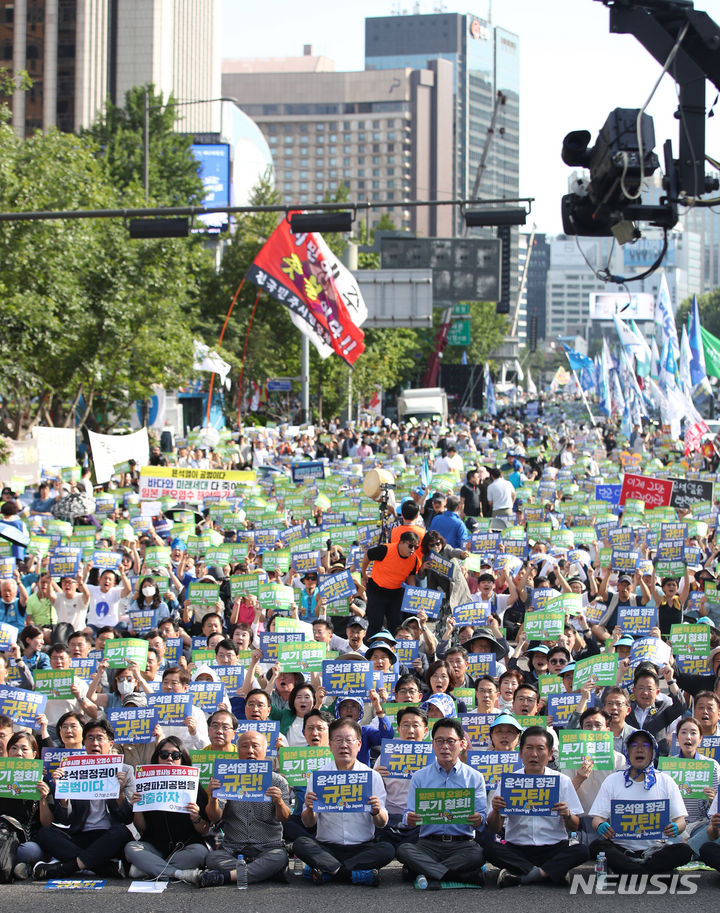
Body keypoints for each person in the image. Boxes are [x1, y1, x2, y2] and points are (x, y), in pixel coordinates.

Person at [294, 717, 395, 886]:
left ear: (359, 745)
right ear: (330, 745)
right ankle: (353, 874)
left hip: (362, 848)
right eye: (338, 740)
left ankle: (331, 872)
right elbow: (308, 823)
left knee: (388, 850)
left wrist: (376, 811)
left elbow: (382, 823)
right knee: (300, 844)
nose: (344, 745)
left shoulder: (372, 776)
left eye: (349, 740)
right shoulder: (319, 777)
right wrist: (310, 809)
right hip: (327, 847)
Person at [485, 726, 589, 887]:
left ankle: (524, 875)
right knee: (487, 848)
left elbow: (574, 826)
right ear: (520, 753)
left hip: (554, 848)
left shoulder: (562, 781)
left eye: (540, 749)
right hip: (517, 848)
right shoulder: (509, 782)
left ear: (549, 755)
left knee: (582, 850)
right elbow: (493, 828)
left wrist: (567, 814)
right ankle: (550, 872)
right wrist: (496, 811)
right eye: (529, 748)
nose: (534, 754)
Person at [33, 718, 135, 880]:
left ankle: (67, 867)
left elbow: (127, 817)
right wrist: (63, 797)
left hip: (108, 836)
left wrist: (120, 793)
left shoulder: (125, 771)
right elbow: (65, 819)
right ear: (84, 743)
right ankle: (103, 867)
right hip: (80, 834)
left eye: (99, 738)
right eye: (90, 738)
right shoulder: (73, 768)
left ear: (110, 743)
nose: (94, 743)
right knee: (45, 833)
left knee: (121, 832)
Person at [396, 716, 487, 889]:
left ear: (461, 744)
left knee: (479, 854)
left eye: (451, 741)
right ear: (433, 745)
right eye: (439, 741)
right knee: (404, 850)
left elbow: (482, 818)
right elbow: (408, 813)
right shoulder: (420, 777)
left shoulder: (475, 777)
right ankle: (461, 876)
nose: (445, 746)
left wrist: (479, 820)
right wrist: (410, 818)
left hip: (462, 844)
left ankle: (425, 872)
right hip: (428, 844)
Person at [589, 729, 692, 874]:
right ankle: (652, 874)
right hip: (621, 849)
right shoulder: (612, 780)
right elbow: (597, 819)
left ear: (653, 751)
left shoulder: (666, 781)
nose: (639, 749)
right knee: (597, 846)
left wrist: (676, 827)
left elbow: (681, 821)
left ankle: (630, 873)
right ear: (627, 751)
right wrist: (601, 825)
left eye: (645, 745)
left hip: (655, 851)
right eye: (634, 745)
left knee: (684, 851)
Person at [200, 729, 292, 887]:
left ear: (265, 749)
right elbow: (215, 817)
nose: (250, 751)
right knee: (212, 859)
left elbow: (284, 817)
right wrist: (213, 797)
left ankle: (227, 877)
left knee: (279, 857)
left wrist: (279, 802)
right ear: (238, 750)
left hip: (268, 847)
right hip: (233, 847)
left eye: (255, 746)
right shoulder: (225, 778)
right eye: (244, 746)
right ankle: (264, 872)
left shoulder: (278, 781)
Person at [125, 736, 211, 884]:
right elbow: (142, 829)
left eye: (176, 755)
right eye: (164, 755)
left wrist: (196, 817)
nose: (169, 759)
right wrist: (137, 809)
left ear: (183, 758)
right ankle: (178, 874)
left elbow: (204, 830)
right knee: (131, 848)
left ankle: (149, 869)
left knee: (201, 853)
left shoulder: (194, 786)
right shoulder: (145, 785)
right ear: (157, 758)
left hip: (186, 847)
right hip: (154, 846)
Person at [0, 732, 53, 880]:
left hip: (25, 841)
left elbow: (47, 823)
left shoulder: (42, 782)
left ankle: (12, 865)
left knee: (32, 851)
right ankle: (13, 867)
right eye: (14, 748)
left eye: (24, 749)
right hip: (2, 835)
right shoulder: (1, 776)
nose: (18, 753)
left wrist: (42, 798)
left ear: (34, 754)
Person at [361, 530, 421, 638]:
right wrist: (364, 573)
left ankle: (394, 651)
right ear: (401, 542)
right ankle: (369, 651)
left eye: (416, 547)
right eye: (410, 546)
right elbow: (368, 555)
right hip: (376, 590)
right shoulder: (385, 550)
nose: (413, 550)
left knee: (396, 624)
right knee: (375, 624)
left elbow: (411, 577)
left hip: (396, 593)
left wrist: (413, 593)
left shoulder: (414, 559)